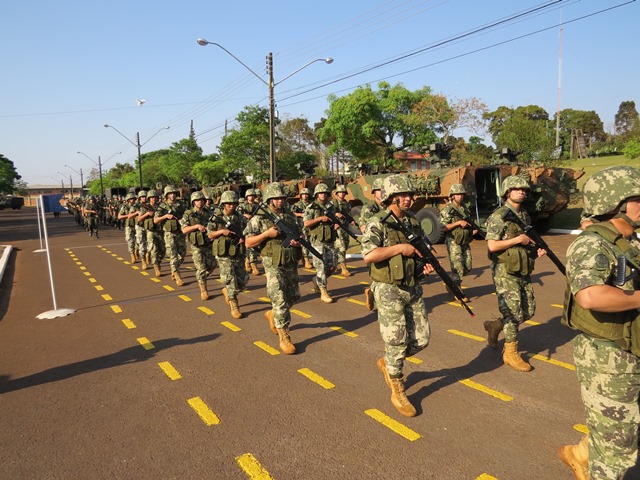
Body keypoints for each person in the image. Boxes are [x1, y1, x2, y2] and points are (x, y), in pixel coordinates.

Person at [559, 165, 640, 480]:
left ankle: (582, 452)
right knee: (616, 458)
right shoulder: (592, 244)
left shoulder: (630, 240)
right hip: (610, 359)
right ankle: (589, 462)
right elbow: (590, 296)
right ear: (615, 204)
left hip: (632, 345)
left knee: (625, 428)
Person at [360, 174, 434, 417]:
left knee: (422, 339)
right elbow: (369, 255)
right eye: (403, 195)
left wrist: (425, 262)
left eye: (410, 195)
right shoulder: (377, 222)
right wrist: (398, 249)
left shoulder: (412, 221)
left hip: (412, 285)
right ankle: (397, 386)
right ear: (392, 196)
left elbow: (421, 247)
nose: (408, 199)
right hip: (388, 288)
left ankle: (389, 362)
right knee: (396, 340)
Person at [483, 175, 547, 372]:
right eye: (517, 189)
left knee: (529, 310)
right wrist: (518, 240)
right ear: (507, 192)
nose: (522, 192)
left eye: (524, 190)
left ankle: (495, 326)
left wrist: (535, 251)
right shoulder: (499, 216)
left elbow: (526, 241)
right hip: (504, 271)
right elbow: (492, 245)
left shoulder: (524, 215)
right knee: (513, 311)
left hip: (522, 268)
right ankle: (510, 352)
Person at [244, 183, 302, 354]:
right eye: (276, 198)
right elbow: (248, 242)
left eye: (282, 198)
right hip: (272, 263)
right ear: (269, 199)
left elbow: (300, 234)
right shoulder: (259, 219)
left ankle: (272, 314)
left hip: (289, 260)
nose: (279, 201)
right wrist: (266, 234)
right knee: (280, 299)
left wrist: (297, 241)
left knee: (293, 296)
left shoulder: (290, 217)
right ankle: (284, 336)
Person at [208, 191, 248, 319]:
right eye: (229, 204)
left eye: (234, 203)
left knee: (243, 280)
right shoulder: (216, 217)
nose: (231, 206)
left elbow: (247, 231)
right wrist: (221, 232)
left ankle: (227, 291)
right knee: (230, 277)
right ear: (223, 204)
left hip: (237, 250)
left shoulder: (240, 217)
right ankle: (234, 304)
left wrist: (244, 238)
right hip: (224, 252)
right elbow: (209, 234)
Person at [439, 183, 476, 302]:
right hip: (453, 240)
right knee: (457, 266)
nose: (460, 196)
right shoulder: (448, 209)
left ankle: (451, 283)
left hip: (464, 239)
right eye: (457, 194)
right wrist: (457, 223)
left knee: (467, 266)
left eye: (461, 194)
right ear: (452, 196)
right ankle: (458, 291)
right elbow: (442, 227)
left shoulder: (464, 208)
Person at [304, 183, 339, 303]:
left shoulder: (331, 206)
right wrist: (319, 219)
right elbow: (306, 223)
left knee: (333, 266)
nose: (323, 195)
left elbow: (334, 219)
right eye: (320, 193)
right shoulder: (311, 207)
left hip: (329, 240)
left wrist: (336, 224)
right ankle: (323, 291)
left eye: (324, 193)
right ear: (316, 194)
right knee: (321, 267)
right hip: (317, 241)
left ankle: (316, 280)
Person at [181, 191, 216, 300]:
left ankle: (201, 278)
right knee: (201, 267)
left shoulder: (209, 213)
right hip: (197, 245)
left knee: (212, 265)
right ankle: (203, 289)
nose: (199, 202)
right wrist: (196, 226)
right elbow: (184, 229)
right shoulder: (188, 214)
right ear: (193, 202)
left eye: (201, 200)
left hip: (209, 243)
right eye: (197, 200)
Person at [359, 177, 385, 310]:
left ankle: (372, 292)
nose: (381, 193)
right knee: (377, 273)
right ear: (374, 193)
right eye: (378, 190)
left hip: (387, 245)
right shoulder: (369, 208)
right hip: (374, 245)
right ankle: (373, 293)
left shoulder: (388, 206)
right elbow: (363, 227)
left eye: (383, 190)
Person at [154, 185, 187, 287]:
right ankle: (177, 274)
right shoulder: (162, 206)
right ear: (167, 195)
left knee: (182, 254)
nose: (172, 195)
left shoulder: (181, 205)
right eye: (170, 194)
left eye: (174, 193)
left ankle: (174, 269)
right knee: (173, 255)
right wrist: (165, 216)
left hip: (180, 233)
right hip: (169, 234)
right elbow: (155, 220)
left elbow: (187, 215)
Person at [332, 184, 355, 277]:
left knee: (345, 246)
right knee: (341, 247)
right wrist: (336, 214)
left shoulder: (347, 204)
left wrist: (352, 220)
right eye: (340, 192)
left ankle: (334, 264)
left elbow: (348, 215)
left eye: (343, 192)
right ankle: (343, 267)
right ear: (337, 193)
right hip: (337, 228)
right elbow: (327, 214)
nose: (342, 194)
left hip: (345, 227)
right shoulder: (333, 203)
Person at [143, 190, 165, 277]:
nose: (153, 199)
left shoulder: (161, 207)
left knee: (163, 251)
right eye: (151, 198)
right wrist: (147, 214)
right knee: (154, 250)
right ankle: (156, 267)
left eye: (155, 197)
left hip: (160, 231)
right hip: (151, 231)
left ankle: (155, 260)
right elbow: (139, 219)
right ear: (149, 198)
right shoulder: (145, 207)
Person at [239, 188, 261, 276]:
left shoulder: (258, 205)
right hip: (246, 228)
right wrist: (245, 215)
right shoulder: (243, 206)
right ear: (246, 197)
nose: (251, 197)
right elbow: (237, 214)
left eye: (252, 196)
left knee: (255, 247)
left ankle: (248, 262)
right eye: (249, 196)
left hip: (256, 228)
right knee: (250, 247)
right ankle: (253, 265)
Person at [291, 187, 313, 269]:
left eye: (307, 194)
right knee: (304, 241)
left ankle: (305, 258)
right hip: (302, 225)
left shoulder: (311, 204)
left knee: (310, 242)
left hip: (311, 224)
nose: (305, 196)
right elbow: (292, 213)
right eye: (304, 194)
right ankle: (306, 259)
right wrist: (301, 215)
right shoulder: (298, 204)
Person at [118, 193, 138, 263]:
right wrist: (128, 215)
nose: (132, 200)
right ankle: (132, 255)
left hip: (137, 225)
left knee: (138, 241)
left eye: (133, 199)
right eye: (131, 199)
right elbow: (119, 217)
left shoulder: (137, 206)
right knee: (130, 241)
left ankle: (136, 250)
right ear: (128, 200)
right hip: (128, 226)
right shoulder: (125, 207)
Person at [135, 191, 150, 269]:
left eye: (145, 196)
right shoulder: (137, 205)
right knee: (141, 244)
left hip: (148, 226)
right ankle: (143, 260)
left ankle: (148, 254)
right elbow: (138, 217)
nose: (144, 198)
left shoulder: (149, 204)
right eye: (142, 197)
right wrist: (146, 214)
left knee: (150, 244)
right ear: (139, 198)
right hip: (140, 226)